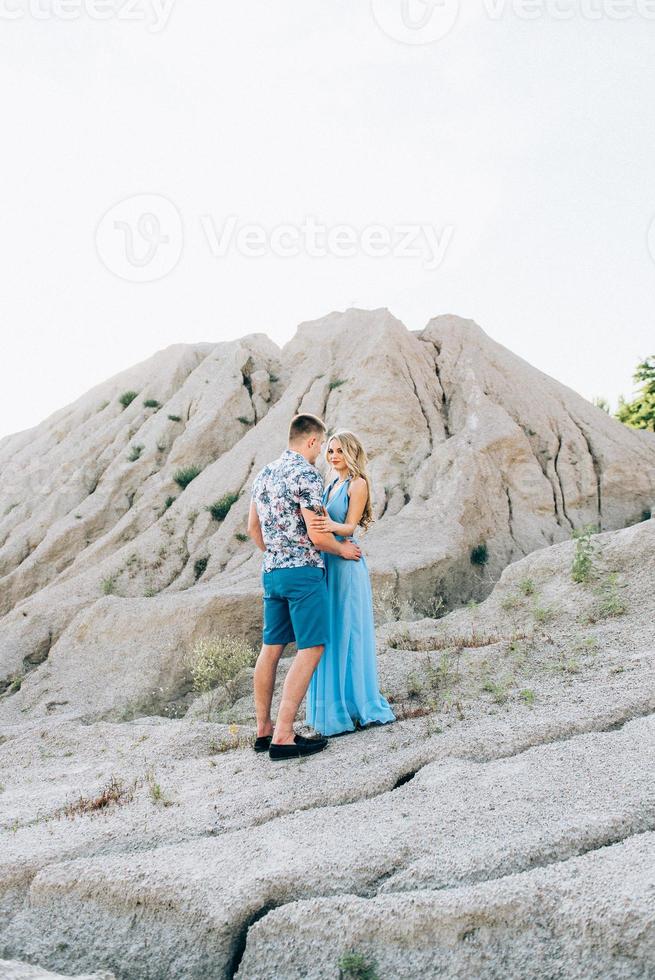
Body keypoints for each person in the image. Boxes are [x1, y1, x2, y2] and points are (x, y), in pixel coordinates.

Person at [248, 413, 362, 761]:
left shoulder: (264, 474)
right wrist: (343, 548)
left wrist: (277, 553)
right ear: (312, 441)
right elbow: (317, 534)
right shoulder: (305, 475)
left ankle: (263, 730)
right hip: (303, 573)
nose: (320, 455)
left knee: (271, 649)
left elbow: (253, 527)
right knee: (311, 648)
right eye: (320, 446)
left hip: (272, 572)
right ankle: (284, 736)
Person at [304, 430, 396, 736]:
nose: (333, 456)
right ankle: (334, 707)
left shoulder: (359, 484)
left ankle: (358, 704)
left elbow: (351, 525)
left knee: (350, 630)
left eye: (340, 451)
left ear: (352, 453)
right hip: (329, 562)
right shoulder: (331, 482)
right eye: (330, 451)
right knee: (332, 631)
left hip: (347, 562)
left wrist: (329, 525)